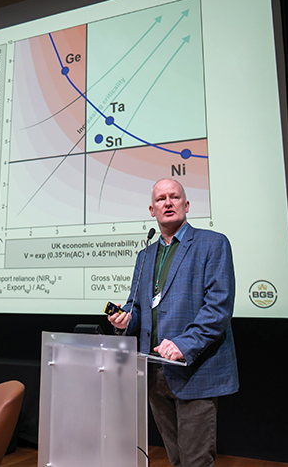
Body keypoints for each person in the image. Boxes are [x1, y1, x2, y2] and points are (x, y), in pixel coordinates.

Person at [108, 178, 238, 467]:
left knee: (195, 462)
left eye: (174, 197)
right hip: (155, 371)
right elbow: (136, 306)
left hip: (194, 369)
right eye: (161, 199)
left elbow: (218, 308)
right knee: (176, 459)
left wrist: (184, 345)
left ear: (186, 205)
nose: (168, 203)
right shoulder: (145, 256)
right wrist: (124, 319)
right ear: (152, 210)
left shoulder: (212, 243)